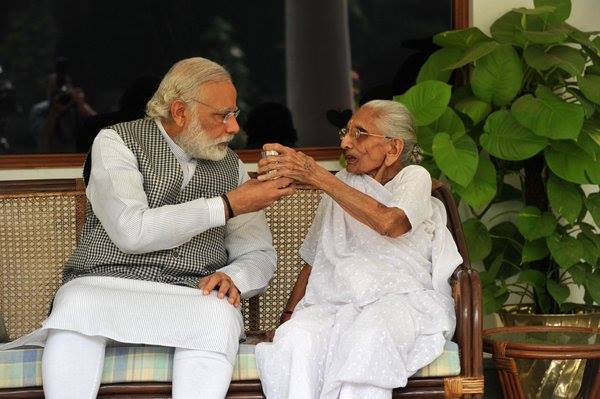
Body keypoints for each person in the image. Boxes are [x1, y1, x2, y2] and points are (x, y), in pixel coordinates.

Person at [1, 57, 295, 399]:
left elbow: (258, 253)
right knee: (77, 303)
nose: (233, 128)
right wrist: (226, 205)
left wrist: (236, 278)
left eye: (235, 115)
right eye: (222, 115)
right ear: (181, 112)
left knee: (219, 315)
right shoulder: (115, 142)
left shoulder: (232, 167)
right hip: (106, 284)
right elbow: (132, 231)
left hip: (191, 293)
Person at [255, 100, 463, 399]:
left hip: (400, 302)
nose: (345, 142)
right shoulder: (342, 184)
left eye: (359, 134)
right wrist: (288, 316)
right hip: (336, 304)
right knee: (295, 341)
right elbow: (314, 259)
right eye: (346, 131)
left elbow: (391, 222)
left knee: (366, 339)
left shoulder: (413, 177)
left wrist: (316, 175)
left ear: (393, 149)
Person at [29, 58, 97, 153]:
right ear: (48, 90)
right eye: (55, 91)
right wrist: (55, 112)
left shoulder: (76, 108)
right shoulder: (40, 110)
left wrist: (82, 105)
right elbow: (42, 136)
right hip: (48, 160)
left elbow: (100, 126)